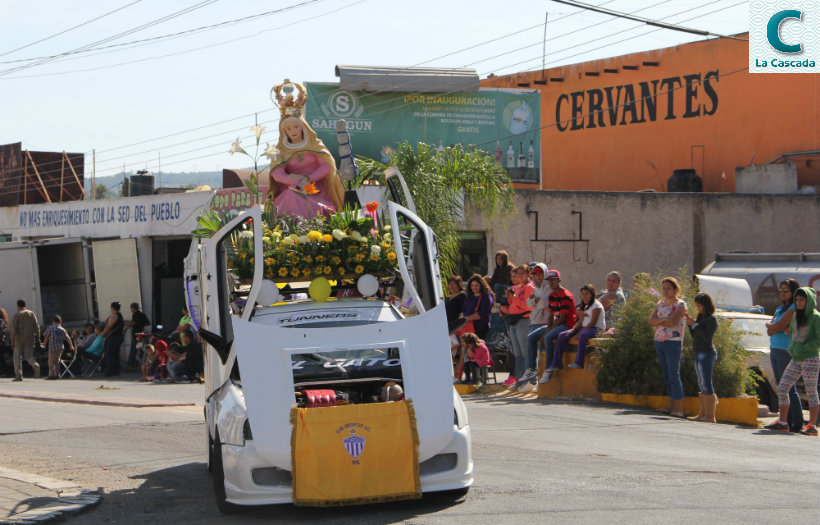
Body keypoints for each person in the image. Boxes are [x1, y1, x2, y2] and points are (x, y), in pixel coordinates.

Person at [267, 81, 344, 218]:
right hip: (290, 189)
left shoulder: (314, 145)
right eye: (288, 129)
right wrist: (296, 182)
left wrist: (308, 179)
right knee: (292, 196)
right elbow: (277, 173)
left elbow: (326, 166)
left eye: (296, 127)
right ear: (283, 131)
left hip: (316, 190)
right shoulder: (280, 150)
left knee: (311, 202)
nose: (293, 131)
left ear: (303, 127)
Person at [765, 287, 820, 436]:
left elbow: (818, 340)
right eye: (797, 299)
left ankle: (812, 425)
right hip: (796, 358)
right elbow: (792, 334)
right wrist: (793, 346)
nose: (799, 302)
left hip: (811, 358)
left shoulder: (816, 317)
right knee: (783, 387)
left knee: (811, 392)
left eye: (802, 299)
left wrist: (803, 347)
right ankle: (783, 422)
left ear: (809, 301)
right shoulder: (796, 316)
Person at [764, 278, 804, 432]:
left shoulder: (794, 309)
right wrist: (774, 327)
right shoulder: (780, 309)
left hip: (786, 351)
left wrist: (773, 326)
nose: (782, 293)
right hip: (775, 349)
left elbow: (777, 325)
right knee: (781, 387)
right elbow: (770, 330)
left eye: (785, 290)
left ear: (793, 292)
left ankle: (796, 422)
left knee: (788, 387)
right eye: (780, 290)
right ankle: (784, 420)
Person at [648, 277, 687, 418]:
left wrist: (661, 321)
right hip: (660, 340)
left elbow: (673, 322)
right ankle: (670, 406)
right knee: (667, 374)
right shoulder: (660, 304)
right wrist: (663, 320)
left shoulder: (680, 305)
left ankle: (679, 408)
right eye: (663, 288)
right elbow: (651, 320)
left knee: (674, 374)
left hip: (673, 341)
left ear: (675, 289)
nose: (665, 291)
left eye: (668, 288)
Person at [547, 284, 605, 373]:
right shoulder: (585, 306)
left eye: (587, 294)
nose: (584, 297)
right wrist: (573, 330)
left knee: (583, 335)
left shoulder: (596, 305)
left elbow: (592, 323)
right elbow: (580, 322)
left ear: (592, 295)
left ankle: (579, 362)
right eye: (582, 294)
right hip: (585, 327)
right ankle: (556, 363)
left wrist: (579, 333)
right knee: (563, 335)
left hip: (595, 328)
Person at [536, 270, 577, 384]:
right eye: (549, 281)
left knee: (548, 337)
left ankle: (548, 369)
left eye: (553, 280)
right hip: (556, 324)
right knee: (532, 337)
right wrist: (548, 327)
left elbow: (562, 318)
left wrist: (549, 330)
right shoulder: (552, 295)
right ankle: (533, 369)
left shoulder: (565, 295)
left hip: (567, 325)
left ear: (559, 280)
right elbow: (551, 315)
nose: (551, 283)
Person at [512, 263, 549, 391]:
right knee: (529, 353)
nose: (538, 276)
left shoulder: (547, 288)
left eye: (541, 273)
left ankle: (534, 381)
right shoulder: (536, 289)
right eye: (536, 274)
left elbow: (542, 303)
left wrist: (535, 301)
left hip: (544, 323)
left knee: (539, 354)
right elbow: (530, 302)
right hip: (534, 321)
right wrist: (535, 300)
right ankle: (530, 381)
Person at [685, 293, 719, 423]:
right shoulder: (700, 317)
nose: (698, 308)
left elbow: (706, 336)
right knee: (701, 382)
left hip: (707, 352)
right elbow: (695, 335)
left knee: (706, 382)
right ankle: (702, 413)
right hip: (698, 352)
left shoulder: (712, 320)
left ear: (705, 305)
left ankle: (710, 415)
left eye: (699, 306)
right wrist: (691, 324)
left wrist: (696, 325)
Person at [500, 265, 533, 387]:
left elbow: (528, 306)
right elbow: (514, 304)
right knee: (516, 353)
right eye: (518, 273)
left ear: (528, 274)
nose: (519, 276)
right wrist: (509, 298)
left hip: (523, 321)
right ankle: (519, 379)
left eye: (522, 273)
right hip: (513, 321)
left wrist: (513, 297)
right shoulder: (518, 288)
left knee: (524, 352)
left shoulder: (529, 287)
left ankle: (527, 380)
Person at [10, 299, 40, 381]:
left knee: (17, 357)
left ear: (18, 306)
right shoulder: (31, 313)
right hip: (30, 337)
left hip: (19, 338)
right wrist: (38, 337)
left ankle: (18, 375)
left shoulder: (17, 315)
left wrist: (12, 340)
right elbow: (37, 326)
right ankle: (35, 364)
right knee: (29, 355)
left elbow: (13, 328)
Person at [460, 274, 494, 340]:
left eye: (477, 285)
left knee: (476, 348)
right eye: (472, 285)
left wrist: (465, 319)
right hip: (468, 326)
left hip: (480, 327)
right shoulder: (470, 296)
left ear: (481, 285)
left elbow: (482, 314)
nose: (474, 287)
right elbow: (463, 310)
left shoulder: (486, 296)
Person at [42, 315, 74, 380]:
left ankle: (51, 375)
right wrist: (71, 346)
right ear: (60, 321)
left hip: (52, 348)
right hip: (60, 348)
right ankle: (57, 374)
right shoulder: (62, 329)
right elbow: (68, 338)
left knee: (51, 361)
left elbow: (46, 337)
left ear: (53, 321)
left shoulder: (50, 328)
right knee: (57, 361)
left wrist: (44, 345)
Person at [101, 302, 125, 377]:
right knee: (115, 354)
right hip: (118, 337)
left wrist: (103, 334)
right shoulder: (120, 316)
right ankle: (116, 370)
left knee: (110, 354)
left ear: (112, 308)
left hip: (113, 337)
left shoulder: (114, 316)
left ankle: (110, 371)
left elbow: (108, 326)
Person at [125, 303, 150, 370]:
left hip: (136, 336)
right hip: (141, 335)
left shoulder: (135, 314)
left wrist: (126, 323)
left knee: (134, 350)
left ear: (133, 308)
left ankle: (130, 365)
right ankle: (147, 359)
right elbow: (147, 322)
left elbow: (134, 323)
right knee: (138, 350)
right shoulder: (142, 314)